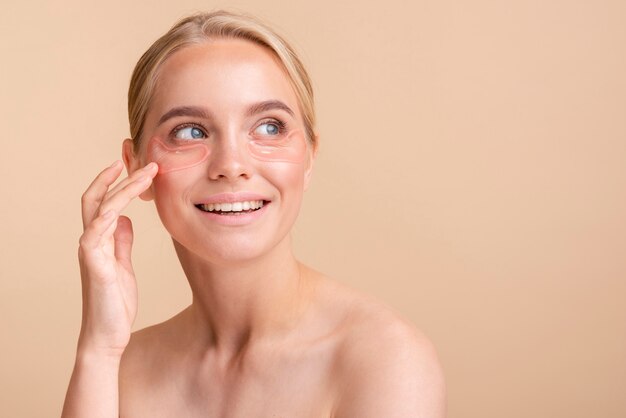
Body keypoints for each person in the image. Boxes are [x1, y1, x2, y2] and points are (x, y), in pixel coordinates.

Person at [61, 10, 445, 417]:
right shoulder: (122, 367)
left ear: (309, 158)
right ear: (137, 166)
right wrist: (99, 348)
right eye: (190, 130)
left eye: (269, 127)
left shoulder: (384, 361)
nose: (232, 163)